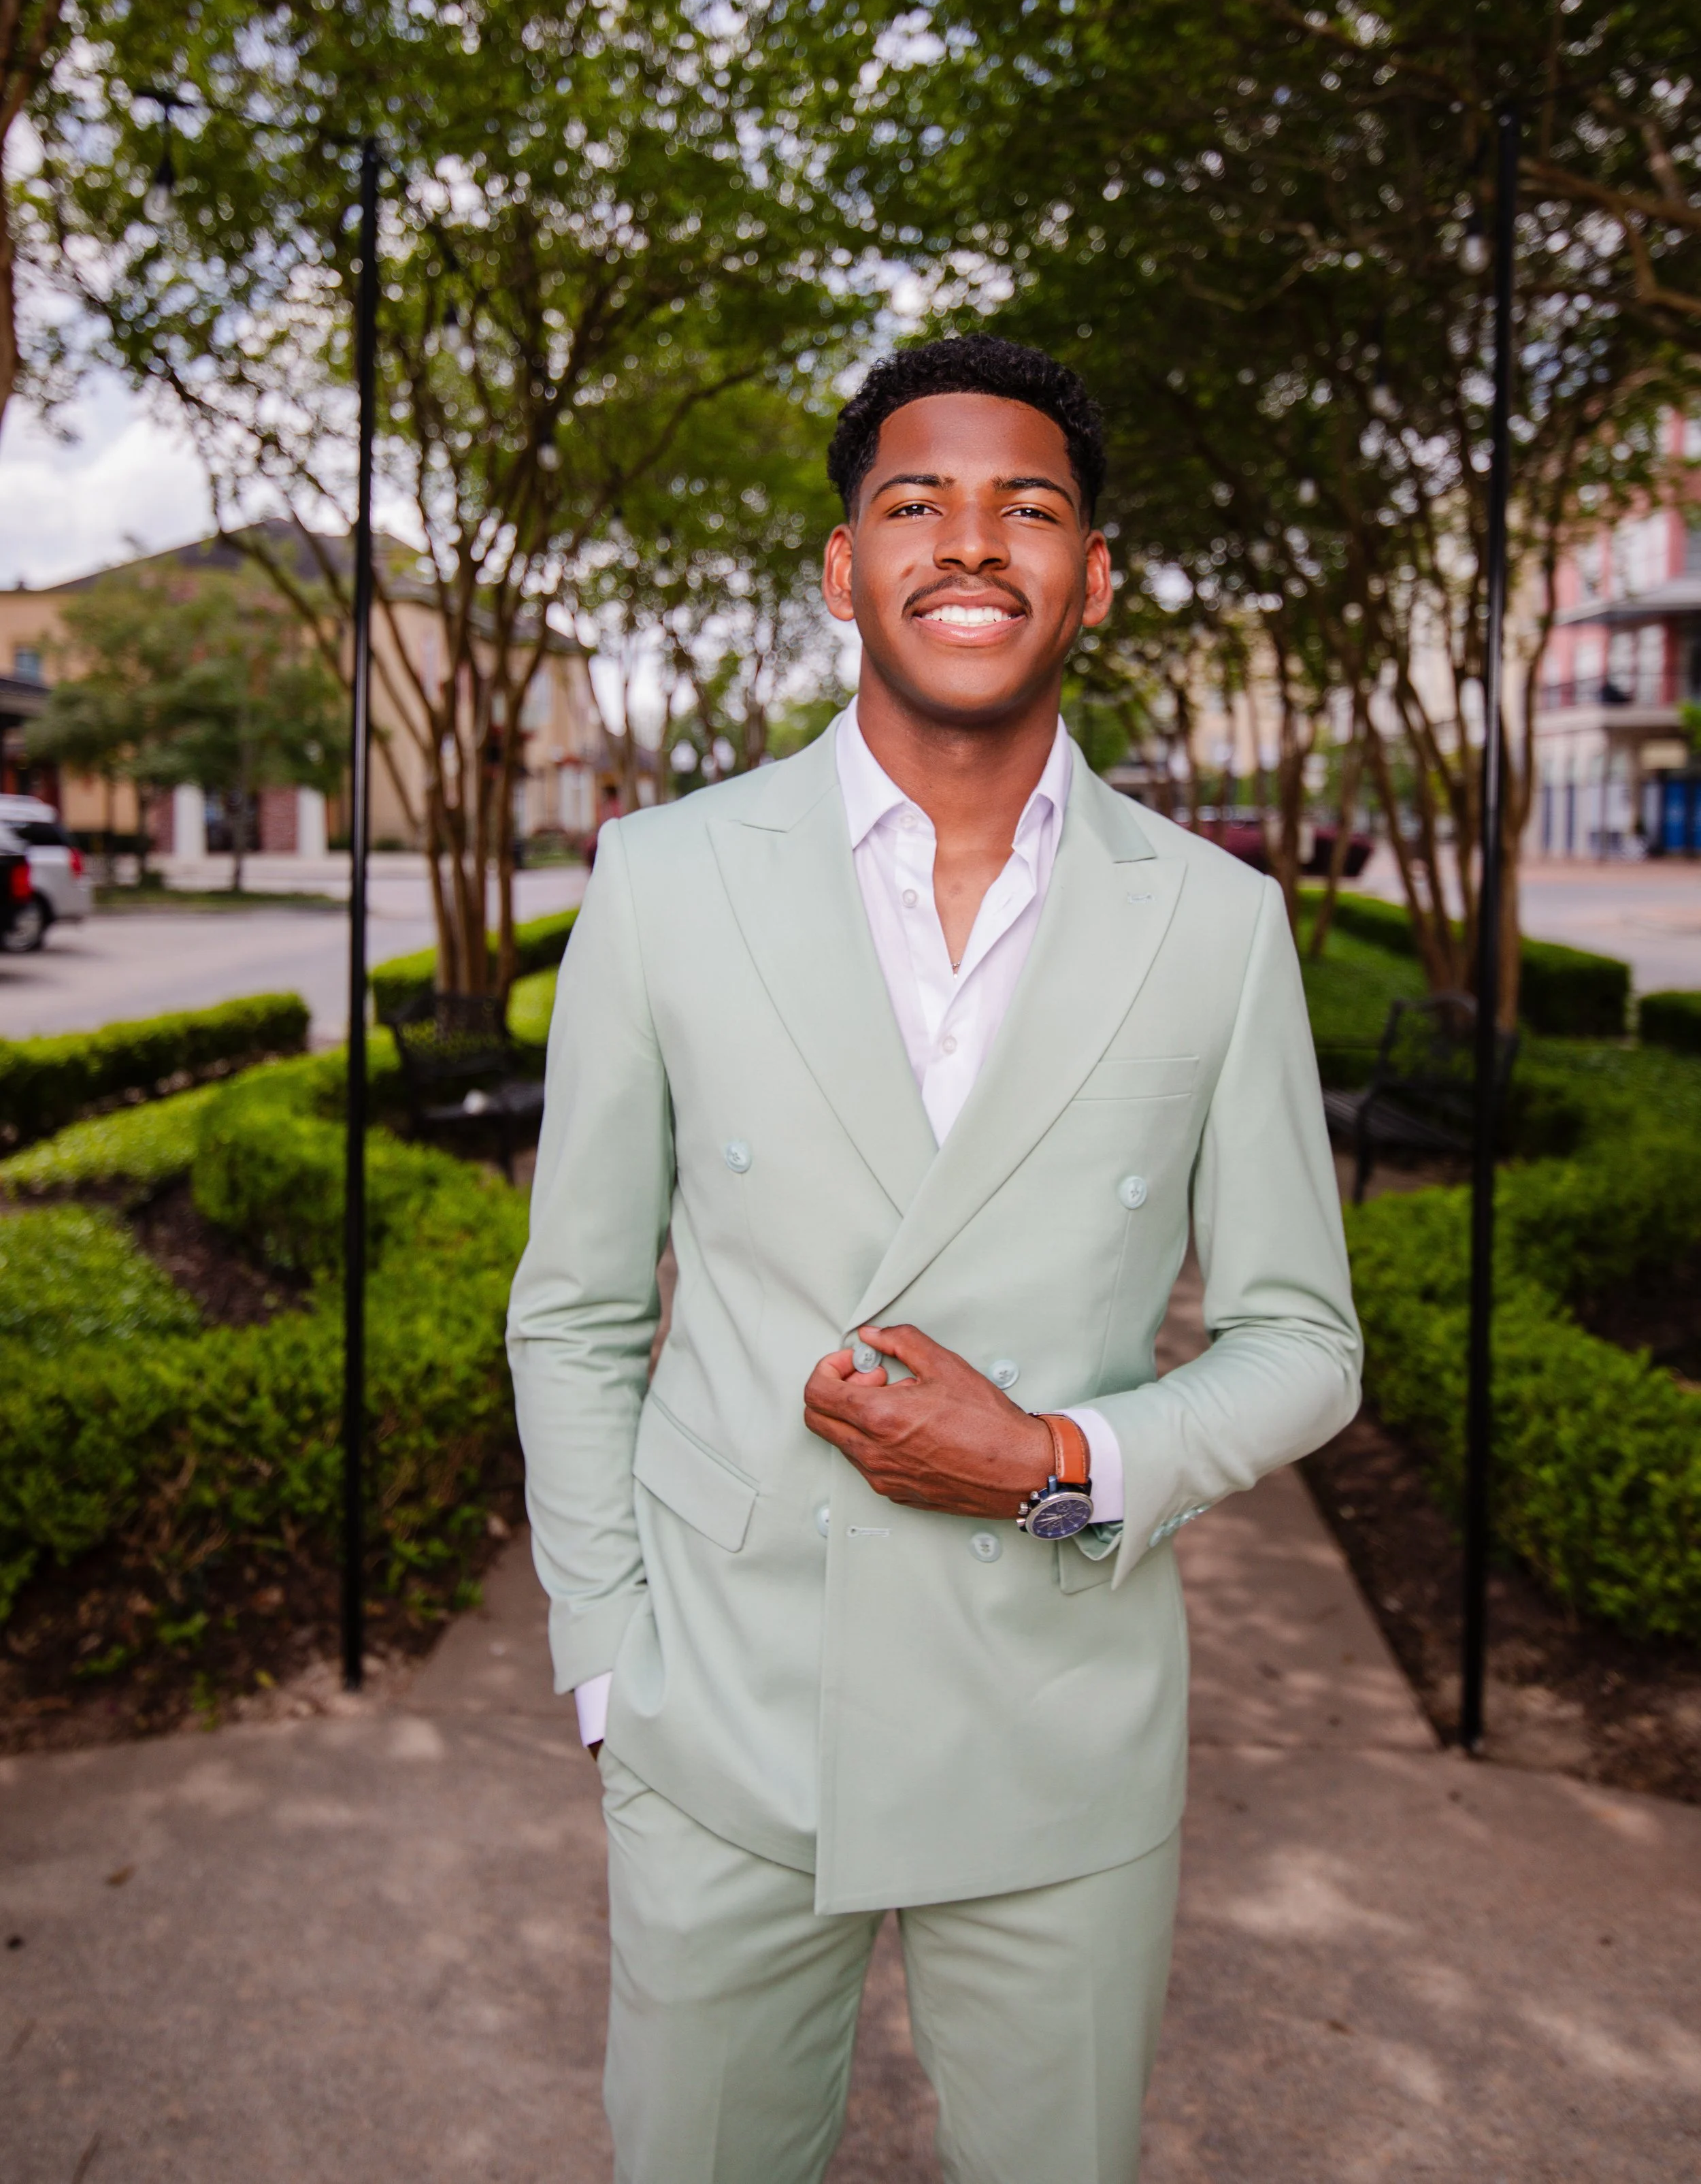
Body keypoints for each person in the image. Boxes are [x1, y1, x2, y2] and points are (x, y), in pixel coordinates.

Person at [506, 335, 1361, 2184]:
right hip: (720, 1720)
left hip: (1056, 1723)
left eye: (1026, 506)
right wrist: (606, 1657)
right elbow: (572, 1308)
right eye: (915, 502)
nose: (969, 543)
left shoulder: (1216, 926)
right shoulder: (661, 880)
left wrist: (1060, 1466)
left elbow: (1301, 1334)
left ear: (1094, 578)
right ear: (841, 567)